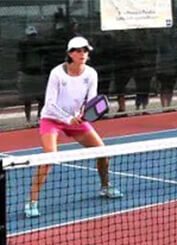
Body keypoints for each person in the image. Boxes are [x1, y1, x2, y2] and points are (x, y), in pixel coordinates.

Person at [24, 36, 123, 219]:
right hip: (52, 119)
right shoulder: (57, 73)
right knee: (50, 158)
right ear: (70, 53)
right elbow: (50, 103)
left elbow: (92, 100)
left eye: (85, 51)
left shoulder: (91, 73)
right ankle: (32, 202)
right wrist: (68, 119)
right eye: (78, 51)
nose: (82, 54)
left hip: (77, 120)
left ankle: (105, 187)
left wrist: (82, 114)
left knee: (102, 152)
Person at [17, 25, 45, 124]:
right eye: (30, 36)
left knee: (41, 98)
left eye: (33, 36)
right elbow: (20, 59)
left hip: (38, 75)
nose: (32, 38)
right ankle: (28, 120)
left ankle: (38, 118)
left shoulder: (40, 47)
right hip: (27, 75)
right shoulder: (23, 46)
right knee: (27, 100)